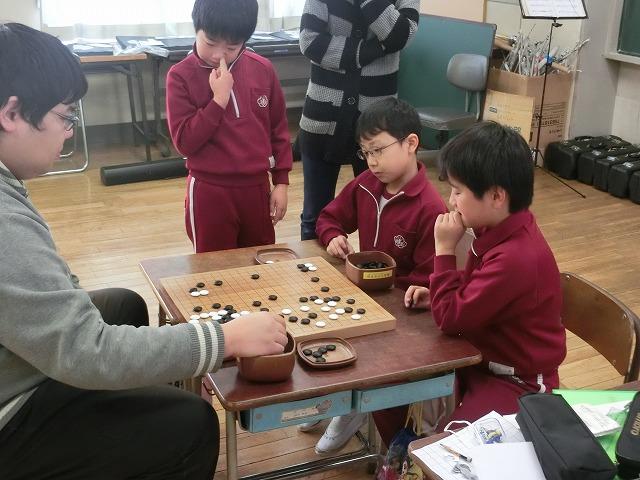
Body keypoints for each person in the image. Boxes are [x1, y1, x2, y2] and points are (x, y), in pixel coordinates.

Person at [0, 22, 287, 479]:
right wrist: (224, 338)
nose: (69, 133)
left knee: (123, 305)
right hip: (10, 413)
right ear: (12, 113)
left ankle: (135, 415)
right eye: (66, 117)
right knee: (192, 424)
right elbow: (84, 350)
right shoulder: (5, 222)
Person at [399, 121, 567, 442]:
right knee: (399, 387)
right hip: (480, 362)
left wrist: (444, 250)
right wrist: (438, 293)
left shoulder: (516, 257)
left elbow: (450, 320)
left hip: (518, 384)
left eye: (458, 191)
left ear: (496, 196)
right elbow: (475, 294)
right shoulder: (498, 228)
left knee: (450, 449)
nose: (451, 201)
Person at [305, 98, 447, 454]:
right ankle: (335, 398)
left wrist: (406, 293)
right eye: (365, 152)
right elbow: (328, 217)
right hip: (363, 297)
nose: (371, 161)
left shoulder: (430, 207)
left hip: (402, 314)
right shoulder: (366, 184)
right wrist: (332, 236)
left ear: (411, 143)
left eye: (378, 150)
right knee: (317, 329)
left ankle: (356, 405)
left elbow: (431, 279)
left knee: (373, 357)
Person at [166, 0, 293, 253]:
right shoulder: (180, 76)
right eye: (210, 42)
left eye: (231, 47)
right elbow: (185, 143)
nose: (218, 55)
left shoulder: (263, 69)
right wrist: (219, 100)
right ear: (196, 28)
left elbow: (278, 130)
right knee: (214, 265)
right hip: (209, 190)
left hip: (256, 188)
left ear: (244, 41)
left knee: (260, 258)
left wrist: (281, 182)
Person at [298, 0, 420, 241]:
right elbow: (310, 42)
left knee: (377, 213)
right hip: (322, 118)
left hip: (379, 124)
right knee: (314, 217)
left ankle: (370, 265)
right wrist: (372, 49)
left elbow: (399, 36)